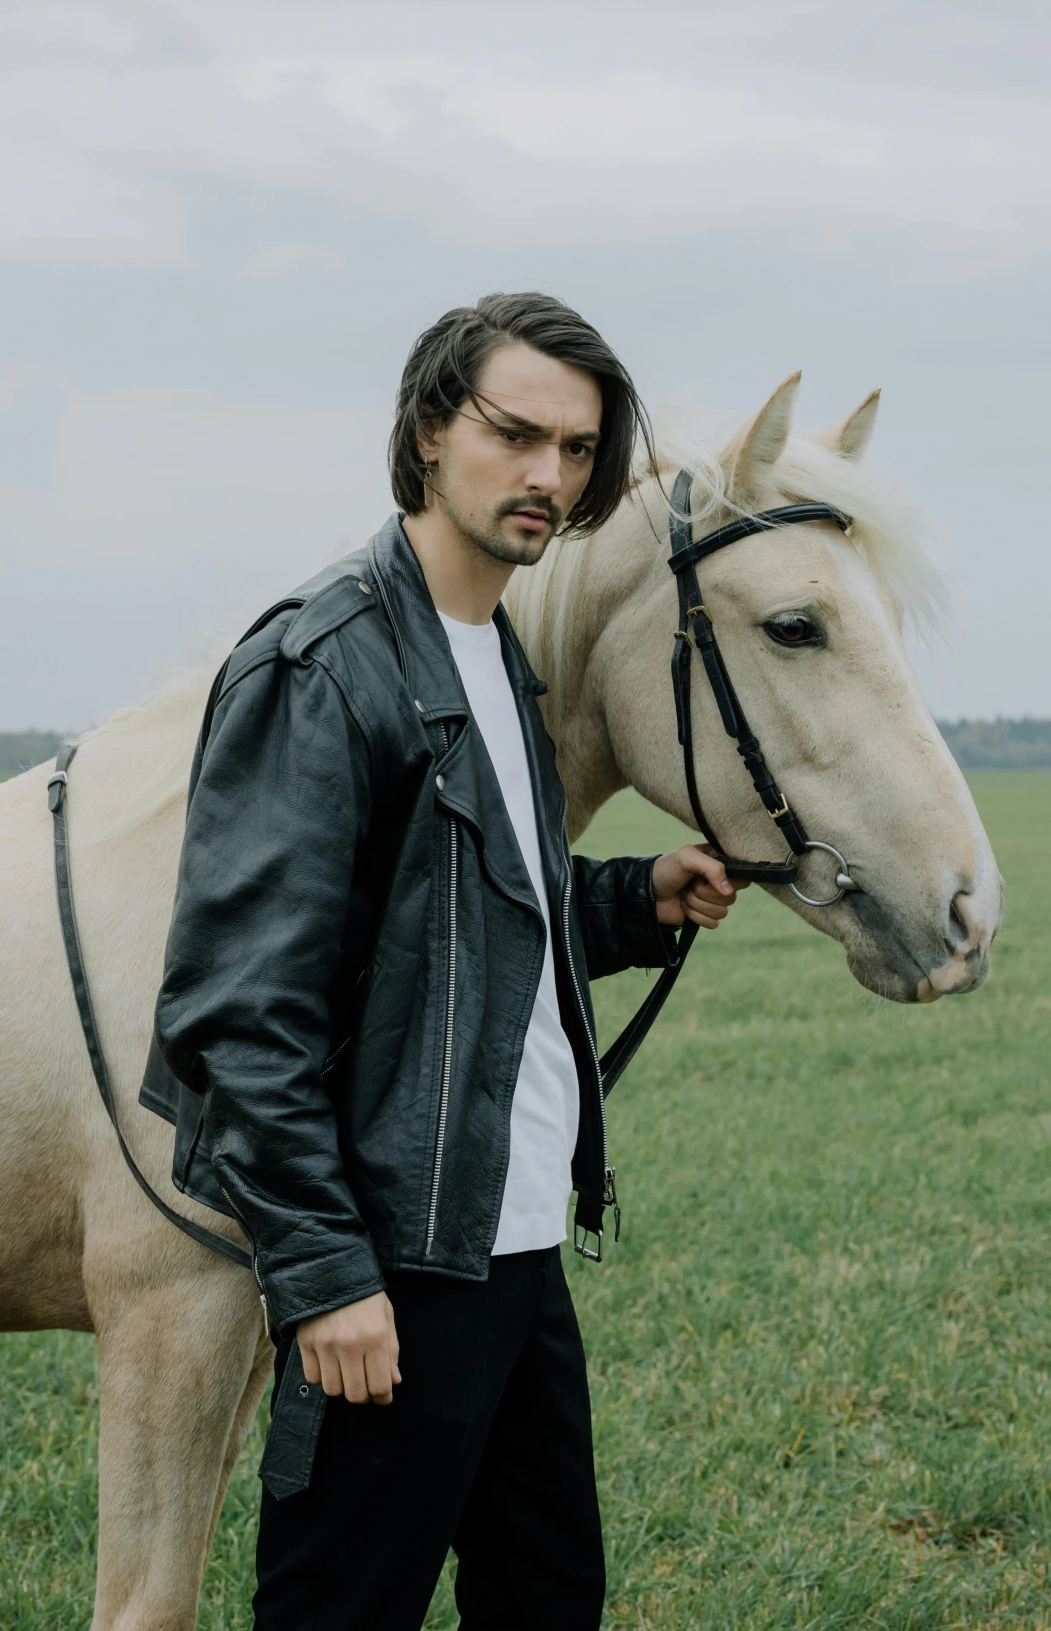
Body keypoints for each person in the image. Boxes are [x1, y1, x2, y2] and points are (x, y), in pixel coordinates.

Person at [143, 292, 740, 1630]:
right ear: (426, 431)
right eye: (514, 433)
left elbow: (472, 922)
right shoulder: (325, 658)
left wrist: (635, 900)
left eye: (577, 450)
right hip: (391, 1262)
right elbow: (237, 1013)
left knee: (547, 1596)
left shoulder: (493, 652)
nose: (547, 475)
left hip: (512, 1237)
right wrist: (325, 1276)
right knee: (340, 1607)